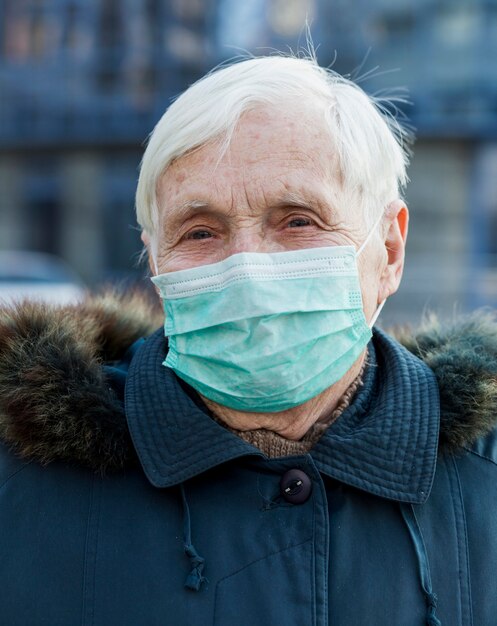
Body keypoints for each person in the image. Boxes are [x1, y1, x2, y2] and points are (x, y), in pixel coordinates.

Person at [0, 54, 496, 626]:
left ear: (389, 249)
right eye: (201, 231)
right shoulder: (20, 484)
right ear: (156, 260)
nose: (247, 269)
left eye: (298, 220)